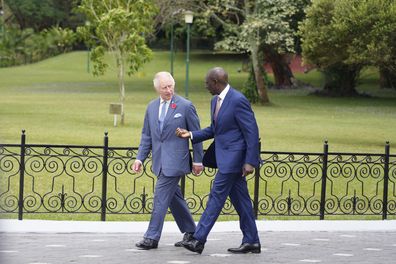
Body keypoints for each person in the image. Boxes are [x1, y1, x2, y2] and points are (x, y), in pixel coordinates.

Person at [176, 67, 261, 254]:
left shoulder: (238, 100)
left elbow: (252, 132)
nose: (206, 86)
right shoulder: (215, 100)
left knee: (215, 197)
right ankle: (252, 241)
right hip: (225, 159)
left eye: (207, 83)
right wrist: (190, 134)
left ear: (216, 82)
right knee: (242, 202)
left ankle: (198, 240)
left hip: (234, 160)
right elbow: (214, 129)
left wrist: (250, 162)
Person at [133, 71, 203, 250]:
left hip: (176, 162)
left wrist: (198, 160)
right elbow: (146, 136)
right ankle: (192, 233)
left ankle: (151, 237)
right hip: (159, 162)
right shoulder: (151, 107)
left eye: (171, 86)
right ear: (157, 88)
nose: (169, 90)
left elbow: (196, 136)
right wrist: (140, 158)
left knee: (161, 197)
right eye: (164, 87)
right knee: (174, 198)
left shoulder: (186, 106)